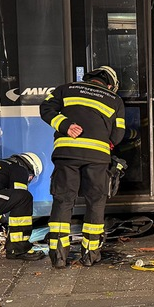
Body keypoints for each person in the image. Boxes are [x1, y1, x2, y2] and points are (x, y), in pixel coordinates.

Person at [40, 65, 126, 268]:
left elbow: (45, 108)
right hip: (97, 157)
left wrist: (65, 125)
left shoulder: (66, 88)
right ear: (110, 84)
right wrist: (106, 143)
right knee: (95, 202)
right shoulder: (115, 100)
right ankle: (90, 254)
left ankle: (59, 257)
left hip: (66, 153)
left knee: (63, 201)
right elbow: (119, 133)